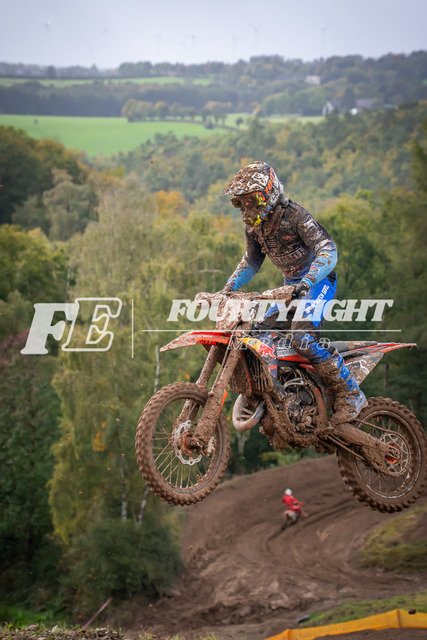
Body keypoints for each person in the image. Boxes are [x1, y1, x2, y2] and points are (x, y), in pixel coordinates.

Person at [220, 161, 367, 424]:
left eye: (251, 200)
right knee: (258, 336)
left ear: (268, 193)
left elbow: (328, 249)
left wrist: (308, 280)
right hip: (291, 289)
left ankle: (351, 392)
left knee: (303, 338)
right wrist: (229, 288)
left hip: (318, 283)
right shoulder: (254, 228)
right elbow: (252, 261)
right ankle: (288, 390)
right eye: (241, 203)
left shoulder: (295, 216)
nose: (246, 209)